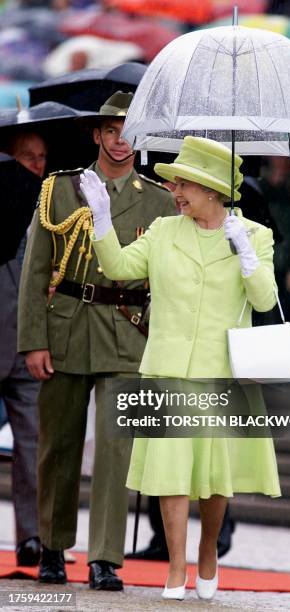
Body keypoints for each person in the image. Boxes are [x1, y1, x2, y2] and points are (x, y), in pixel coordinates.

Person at [80, 135, 281, 601]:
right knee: (169, 474)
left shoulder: (254, 235)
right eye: (174, 184)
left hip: (221, 372)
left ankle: (208, 549)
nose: (175, 191)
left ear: (212, 189)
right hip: (168, 368)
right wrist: (102, 221)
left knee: (214, 478)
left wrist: (246, 256)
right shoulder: (165, 230)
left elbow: (265, 299)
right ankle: (175, 567)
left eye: (184, 184)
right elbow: (117, 267)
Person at [17, 92, 176, 589]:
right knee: (57, 445)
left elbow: (165, 276)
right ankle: (52, 547)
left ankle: (105, 558)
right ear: (97, 135)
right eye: (111, 130)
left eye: (129, 131)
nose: (120, 140)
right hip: (65, 324)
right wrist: (33, 341)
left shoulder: (159, 198)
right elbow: (35, 269)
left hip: (127, 328)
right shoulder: (61, 189)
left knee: (117, 447)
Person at [0, 131, 47, 566]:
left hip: (30, 346)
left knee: (33, 445)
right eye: (26, 157)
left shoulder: (54, 213)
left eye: (41, 157)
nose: (36, 164)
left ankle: (32, 537)